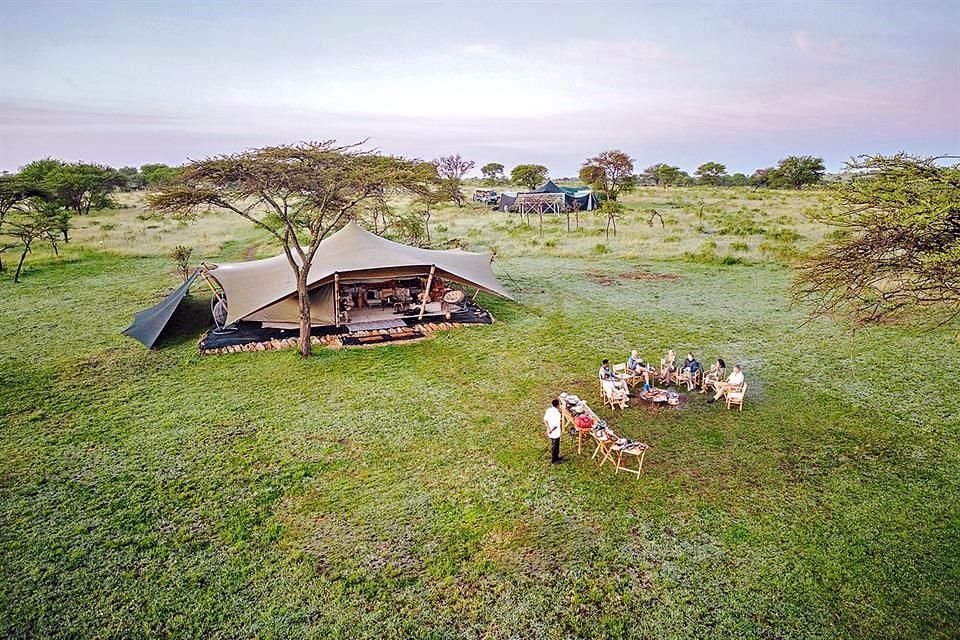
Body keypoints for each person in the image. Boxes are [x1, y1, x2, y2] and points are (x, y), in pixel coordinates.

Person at [543, 398, 563, 463]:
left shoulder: (548, 410)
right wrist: (550, 430)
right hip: (555, 432)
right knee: (556, 446)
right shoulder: (557, 414)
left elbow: (545, 420)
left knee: (553, 444)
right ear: (558, 405)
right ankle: (554, 459)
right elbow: (556, 425)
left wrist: (548, 429)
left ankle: (556, 456)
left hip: (550, 430)